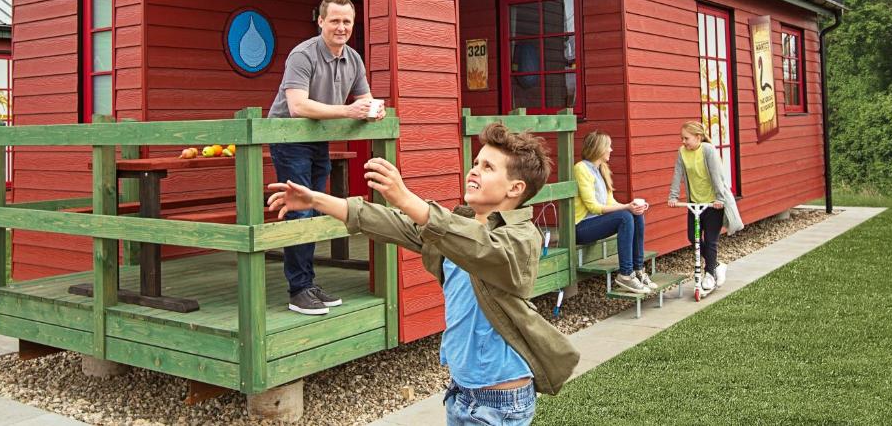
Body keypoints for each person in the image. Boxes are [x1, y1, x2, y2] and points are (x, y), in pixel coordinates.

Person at [267, 123, 579, 425]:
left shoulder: (521, 238)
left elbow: (483, 248)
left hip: (499, 404)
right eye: (475, 162)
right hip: (461, 393)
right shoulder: (458, 227)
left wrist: (405, 198)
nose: (474, 170)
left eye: (487, 167)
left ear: (515, 188)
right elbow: (391, 222)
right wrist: (316, 199)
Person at [267, 0, 385, 316]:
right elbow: (297, 106)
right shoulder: (302, 55)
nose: (341, 27)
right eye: (334, 20)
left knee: (317, 208)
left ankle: (308, 282)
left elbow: (366, 99)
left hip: (319, 138)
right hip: (288, 138)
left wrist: (375, 111)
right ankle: (299, 289)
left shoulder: (354, 59)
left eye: (347, 21)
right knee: (301, 211)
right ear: (321, 21)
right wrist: (349, 112)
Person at [573, 131, 655, 294]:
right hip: (581, 227)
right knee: (625, 216)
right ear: (599, 148)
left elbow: (610, 203)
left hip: (597, 223)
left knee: (635, 215)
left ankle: (637, 270)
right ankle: (625, 274)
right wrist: (626, 208)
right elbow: (594, 207)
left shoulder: (601, 170)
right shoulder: (581, 168)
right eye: (608, 146)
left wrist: (632, 206)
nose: (611, 150)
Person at [666, 121, 744, 292]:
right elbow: (677, 174)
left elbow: (718, 176)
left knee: (710, 240)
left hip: (712, 203)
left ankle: (709, 274)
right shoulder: (682, 152)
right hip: (695, 203)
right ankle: (716, 265)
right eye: (682, 138)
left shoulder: (707, 150)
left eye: (686, 138)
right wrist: (673, 196)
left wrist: (719, 199)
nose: (683, 142)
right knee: (692, 238)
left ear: (698, 137)